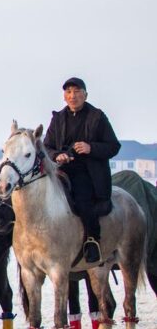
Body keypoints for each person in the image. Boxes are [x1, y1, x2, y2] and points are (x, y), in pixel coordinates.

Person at [43, 77, 121, 265]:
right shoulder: (58, 118)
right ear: (64, 96)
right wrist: (57, 156)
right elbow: (47, 147)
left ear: (85, 95)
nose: (73, 96)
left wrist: (90, 148)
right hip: (61, 170)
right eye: (69, 92)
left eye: (77, 91)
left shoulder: (97, 117)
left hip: (88, 172)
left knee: (82, 199)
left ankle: (92, 240)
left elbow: (113, 146)